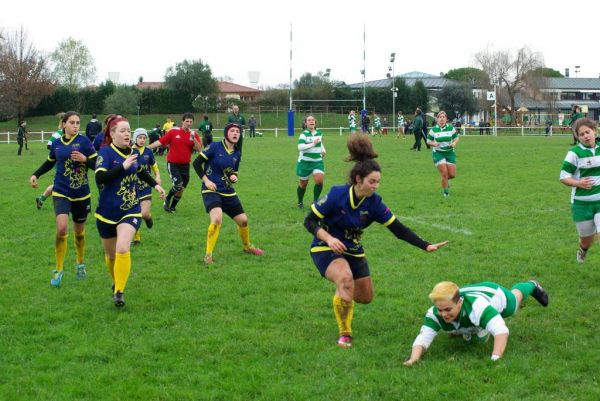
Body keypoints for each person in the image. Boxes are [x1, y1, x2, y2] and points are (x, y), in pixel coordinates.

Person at [303, 134, 448, 348]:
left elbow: (398, 229)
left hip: (353, 250)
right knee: (345, 279)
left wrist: (425, 245)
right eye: (372, 181)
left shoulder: (374, 203)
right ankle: (345, 333)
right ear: (358, 180)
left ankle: (342, 297)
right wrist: (329, 238)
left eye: (378, 182)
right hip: (326, 247)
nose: (375, 186)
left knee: (365, 297)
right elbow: (309, 221)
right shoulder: (337, 195)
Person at [95, 117, 166, 307]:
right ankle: (116, 281)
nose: (127, 134)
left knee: (123, 248)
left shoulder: (134, 151)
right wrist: (122, 166)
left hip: (130, 209)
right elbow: (100, 178)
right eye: (123, 131)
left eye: (129, 130)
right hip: (106, 212)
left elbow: (140, 171)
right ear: (112, 134)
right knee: (111, 257)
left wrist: (155, 185)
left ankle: (119, 291)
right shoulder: (105, 153)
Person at [403, 279, 549, 366]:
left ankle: (531, 284)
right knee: (469, 335)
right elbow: (423, 338)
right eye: (440, 310)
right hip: (468, 304)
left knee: (513, 303)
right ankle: (475, 330)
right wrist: (413, 360)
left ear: (459, 303)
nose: (443, 314)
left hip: (493, 294)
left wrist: (495, 358)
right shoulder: (434, 313)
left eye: (447, 309)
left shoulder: (477, 307)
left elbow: (501, 331)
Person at [29, 111, 97, 286]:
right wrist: (36, 174)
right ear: (64, 124)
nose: (76, 126)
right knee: (61, 229)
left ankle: (80, 263)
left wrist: (84, 160)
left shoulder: (85, 142)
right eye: (72, 122)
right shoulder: (57, 144)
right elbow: (50, 162)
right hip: (61, 190)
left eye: (78, 123)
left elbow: (98, 165)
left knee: (79, 232)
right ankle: (59, 270)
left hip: (81, 193)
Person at [192, 123, 264, 265]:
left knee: (243, 221)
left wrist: (234, 177)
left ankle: (247, 246)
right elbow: (196, 163)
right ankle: (208, 255)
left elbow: (233, 171)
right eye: (232, 131)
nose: (235, 133)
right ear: (226, 134)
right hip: (211, 190)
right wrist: (206, 181)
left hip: (228, 191)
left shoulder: (237, 152)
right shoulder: (214, 147)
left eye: (238, 131)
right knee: (217, 219)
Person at [560, 118, 600, 264]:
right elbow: (563, 177)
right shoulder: (574, 153)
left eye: (588, 132)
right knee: (586, 241)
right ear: (578, 137)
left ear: (594, 131)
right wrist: (578, 183)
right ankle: (583, 250)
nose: (586, 136)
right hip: (581, 204)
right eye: (581, 134)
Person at [148, 112, 202, 213]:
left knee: (181, 189)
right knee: (178, 184)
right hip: (173, 164)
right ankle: (167, 199)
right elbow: (160, 142)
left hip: (185, 165)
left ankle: (172, 207)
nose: (189, 123)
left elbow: (199, 149)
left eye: (191, 121)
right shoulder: (173, 132)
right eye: (187, 121)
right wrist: (147, 148)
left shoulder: (194, 134)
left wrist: (194, 139)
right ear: (182, 121)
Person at [131, 128, 161, 245]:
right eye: (140, 138)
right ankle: (136, 238)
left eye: (144, 138)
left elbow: (154, 165)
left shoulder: (148, 152)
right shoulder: (130, 151)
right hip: (132, 187)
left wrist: (157, 176)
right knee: (135, 213)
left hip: (146, 186)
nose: (142, 140)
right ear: (135, 138)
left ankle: (148, 218)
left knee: (144, 214)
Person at [426, 111, 459, 197]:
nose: (442, 119)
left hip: (450, 153)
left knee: (452, 175)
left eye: (443, 117)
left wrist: (454, 143)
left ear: (446, 119)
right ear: (437, 119)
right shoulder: (433, 130)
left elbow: (456, 138)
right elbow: (428, 141)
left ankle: (445, 181)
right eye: (440, 117)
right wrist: (434, 144)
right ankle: (446, 193)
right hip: (438, 153)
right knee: (444, 173)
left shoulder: (451, 128)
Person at [295, 115, 326, 209]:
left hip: (317, 161)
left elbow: (320, 142)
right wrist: (313, 144)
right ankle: (300, 202)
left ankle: (315, 202)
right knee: (303, 184)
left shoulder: (319, 133)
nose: (311, 121)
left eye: (313, 120)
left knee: (319, 181)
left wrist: (323, 150)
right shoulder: (303, 134)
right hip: (305, 162)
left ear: (315, 123)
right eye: (309, 120)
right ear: (306, 123)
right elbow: (300, 147)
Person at [36, 115, 65, 209]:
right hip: (60, 162)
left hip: (68, 162)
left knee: (60, 183)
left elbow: (49, 146)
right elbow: (49, 146)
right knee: (60, 183)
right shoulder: (58, 134)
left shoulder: (58, 134)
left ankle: (41, 198)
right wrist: (60, 151)